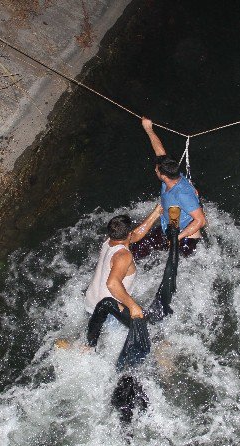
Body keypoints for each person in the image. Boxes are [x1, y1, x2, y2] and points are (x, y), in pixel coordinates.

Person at [85, 206, 161, 348]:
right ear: (128, 235)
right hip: (110, 312)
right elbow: (112, 284)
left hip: (91, 305)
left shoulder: (109, 241)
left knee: (94, 344)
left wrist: (156, 213)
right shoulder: (124, 255)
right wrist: (133, 306)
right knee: (154, 337)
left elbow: (135, 235)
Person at [132, 117, 206, 258]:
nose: (155, 170)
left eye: (156, 170)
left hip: (186, 237)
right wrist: (148, 128)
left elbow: (200, 220)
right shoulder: (171, 175)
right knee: (135, 251)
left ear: (163, 175)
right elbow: (160, 152)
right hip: (169, 226)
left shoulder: (182, 193)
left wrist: (176, 238)